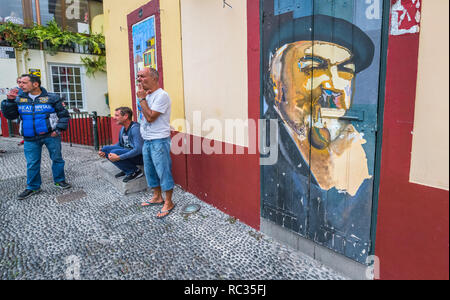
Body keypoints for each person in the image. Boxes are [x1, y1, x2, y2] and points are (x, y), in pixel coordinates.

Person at [261, 0, 378, 263]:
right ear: (277, 79)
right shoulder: (265, 146)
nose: (335, 86)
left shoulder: (360, 152)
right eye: (313, 67)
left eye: (346, 70)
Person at [1, 74, 71, 200]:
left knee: (57, 159)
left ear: (35, 84)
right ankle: (33, 187)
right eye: (19, 82)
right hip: (29, 138)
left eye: (24, 82)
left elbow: (64, 115)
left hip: (51, 135)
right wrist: (9, 102)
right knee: (32, 163)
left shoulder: (52, 97)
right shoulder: (18, 99)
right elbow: (10, 116)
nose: (20, 85)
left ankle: (59, 180)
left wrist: (59, 129)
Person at [136, 67, 175, 219]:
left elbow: (151, 117)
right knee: (150, 171)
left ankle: (169, 202)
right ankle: (157, 197)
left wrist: (141, 99)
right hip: (147, 139)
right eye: (138, 76)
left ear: (153, 78)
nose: (139, 79)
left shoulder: (162, 96)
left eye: (142, 76)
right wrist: (143, 98)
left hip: (159, 139)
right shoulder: (146, 95)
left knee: (163, 171)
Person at [99, 107, 144, 183]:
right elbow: (120, 144)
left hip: (140, 157)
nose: (114, 118)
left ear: (126, 116)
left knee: (114, 152)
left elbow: (139, 149)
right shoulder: (123, 128)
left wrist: (119, 157)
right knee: (105, 149)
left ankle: (134, 171)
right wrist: (104, 152)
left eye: (117, 115)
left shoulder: (135, 128)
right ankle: (126, 168)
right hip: (130, 153)